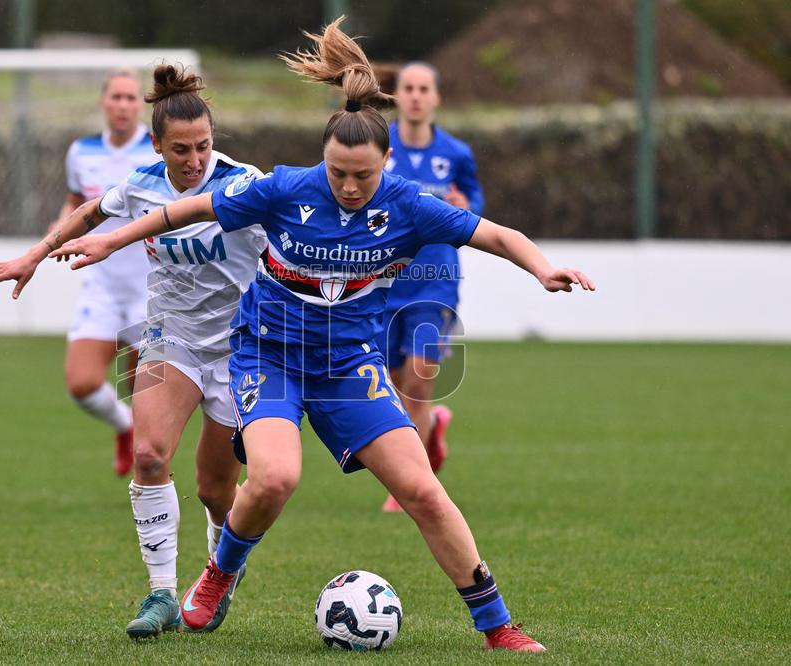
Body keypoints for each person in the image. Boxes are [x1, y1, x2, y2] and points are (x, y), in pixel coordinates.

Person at [47, 18, 594, 652]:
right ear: (323, 159)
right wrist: (111, 237)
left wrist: (544, 267)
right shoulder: (286, 189)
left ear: (387, 164)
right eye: (337, 172)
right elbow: (190, 208)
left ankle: (497, 626)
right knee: (275, 479)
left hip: (347, 366)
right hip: (267, 356)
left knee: (421, 488)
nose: (348, 186)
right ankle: (219, 573)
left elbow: (496, 235)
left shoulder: (410, 205)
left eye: (362, 175)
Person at [0, 65, 266, 639]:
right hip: (171, 339)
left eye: (204, 146)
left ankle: (217, 576)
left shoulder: (243, 184)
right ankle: (160, 593)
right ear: (156, 145)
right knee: (151, 456)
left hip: (240, 348)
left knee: (215, 489)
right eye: (180, 149)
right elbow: (91, 211)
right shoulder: (140, 184)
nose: (194, 159)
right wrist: (34, 254)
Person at [379, 61, 485, 512]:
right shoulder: (378, 143)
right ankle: (431, 432)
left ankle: (405, 486)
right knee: (392, 385)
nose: (417, 96)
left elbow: (475, 204)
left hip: (434, 284)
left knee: (419, 386)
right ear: (397, 96)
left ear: (436, 98)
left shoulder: (456, 154)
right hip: (383, 282)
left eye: (425, 88)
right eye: (409, 88)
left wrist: (466, 204)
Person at [56, 69, 159, 477]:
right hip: (100, 285)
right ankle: (124, 425)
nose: (122, 105)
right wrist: (58, 229)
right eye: (116, 97)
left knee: (147, 391)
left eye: (131, 98)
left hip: (150, 289)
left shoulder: (155, 152)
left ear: (141, 106)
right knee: (81, 383)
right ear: (103, 102)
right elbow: (75, 203)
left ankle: (151, 478)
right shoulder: (80, 151)